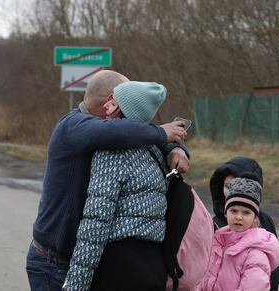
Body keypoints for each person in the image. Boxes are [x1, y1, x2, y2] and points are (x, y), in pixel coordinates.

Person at [26, 70, 190, 291]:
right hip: (53, 261)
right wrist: (161, 133)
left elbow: (138, 132)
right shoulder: (73, 125)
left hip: (83, 260)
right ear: (111, 99)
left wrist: (176, 148)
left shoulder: (117, 132)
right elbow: (120, 132)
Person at [63, 81, 173, 291]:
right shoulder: (155, 150)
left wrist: (75, 285)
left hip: (119, 268)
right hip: (153, 266)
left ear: (122, 109)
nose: (106, 106)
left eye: (112, 101)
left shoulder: (112, 153)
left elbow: (95, 224)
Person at [209, 156, 279, 290]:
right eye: (227, 186)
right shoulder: (215, 223)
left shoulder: (263, 224)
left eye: (246, 213)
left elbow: (270, 273)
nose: (239, 217)